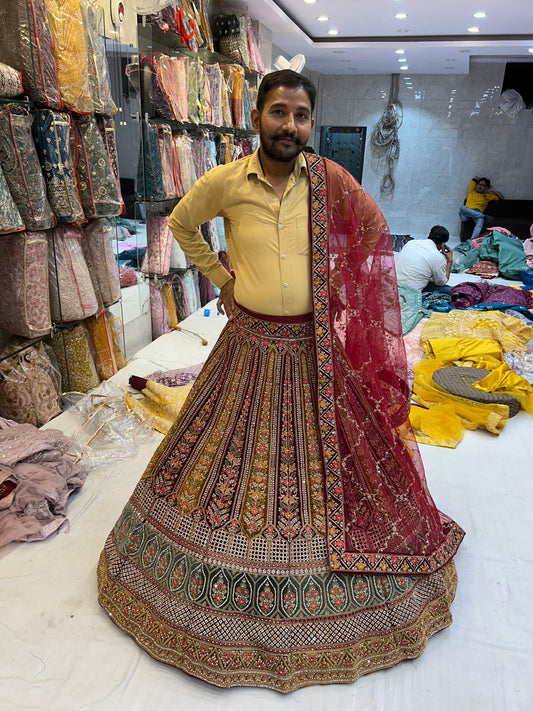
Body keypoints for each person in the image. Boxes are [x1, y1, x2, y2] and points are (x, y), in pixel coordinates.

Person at [97, 70, 464, 692]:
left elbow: (374, 230)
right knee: (216, 459)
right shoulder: (226, 181)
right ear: (258, 117)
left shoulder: (330, 181)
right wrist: (223, 278)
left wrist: (337, 283)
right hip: (246, 346)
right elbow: (183, 226)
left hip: (315, 354)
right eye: (278, 112)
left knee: (340, 459)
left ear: (310, 123)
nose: (289, 125)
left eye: (300, 115)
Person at [395, 225, 454, 294]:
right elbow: (441, 282)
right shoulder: (437, 256)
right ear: (442, 244)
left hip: (395, 284)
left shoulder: (411, 243)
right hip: (411, 291)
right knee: (449, 289)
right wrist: (450, 261)